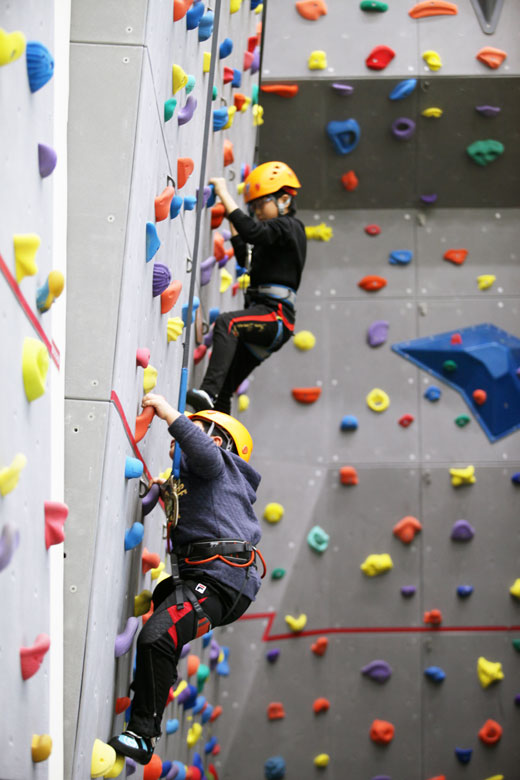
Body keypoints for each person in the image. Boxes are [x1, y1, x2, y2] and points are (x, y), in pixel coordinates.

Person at [109, 393, 264, 764]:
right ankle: (160, 678)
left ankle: (143, 736)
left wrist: (167, 412)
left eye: (188, 434)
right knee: (164, 601)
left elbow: (205, 454)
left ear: (214, 440)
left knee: (158, 635)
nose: (176, 444)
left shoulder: (220, 464)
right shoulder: (202, 480)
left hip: (221, 578)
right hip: (203, 574)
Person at [186, 161, 307, 415]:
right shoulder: (274, 238)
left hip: (275, 315)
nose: (257, 212)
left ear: (284, 200)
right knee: (227, 386)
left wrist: (224, 193)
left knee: (228, 324)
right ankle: (219, 446)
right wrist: (230, 214)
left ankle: (207, 393)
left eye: (261, 204)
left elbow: (252, 232)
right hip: (269, 317)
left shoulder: (289, 227)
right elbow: (245, 255)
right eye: (253, 207)